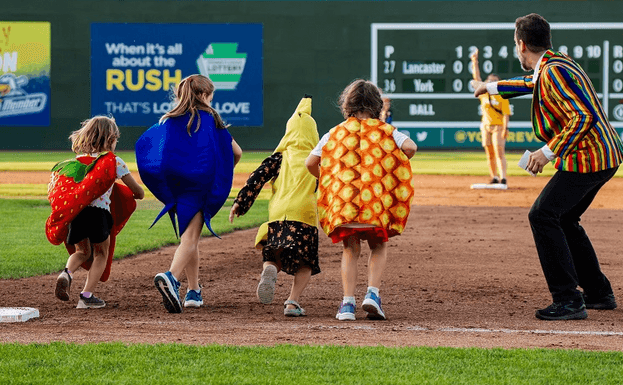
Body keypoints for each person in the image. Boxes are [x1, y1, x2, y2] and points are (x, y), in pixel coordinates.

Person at [474, 13, 623, 321]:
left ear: (521, 44)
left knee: (542, 215)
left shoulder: (552, 71)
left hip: (589, 158)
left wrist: (547, 152)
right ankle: (598, 292)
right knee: (566, 218)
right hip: (603, 156)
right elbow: (531, 83)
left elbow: (583, 117)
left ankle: (568, 300)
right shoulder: (555, 63)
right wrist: (488, 88)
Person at [305, 79, 417, 321]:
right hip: (374, 206)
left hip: (346, 207)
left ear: (348, 104)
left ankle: (347, 304)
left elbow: (310, 163)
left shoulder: (334, 132)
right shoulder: (387, 131)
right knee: (378, 246)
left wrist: (329, 175)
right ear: (376, 105)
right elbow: (411, 147)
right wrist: (390, 166)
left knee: (350, 249)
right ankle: (372, 295)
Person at [136, 75, 242, 313]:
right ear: (204, 95)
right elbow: (236, 152)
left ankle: (193, 290)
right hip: (199, 185)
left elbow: (149, 147)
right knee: (191, 238)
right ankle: (171, 277)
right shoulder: (212, 119)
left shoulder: (169, 120)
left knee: (189, 238)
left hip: (177, 186)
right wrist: (220, 172)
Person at [229, 95, 320, 317]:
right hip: (304, 215)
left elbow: (256, 179)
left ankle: (270, 268)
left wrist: (241, 203)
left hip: (278, 214)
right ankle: (292, 302)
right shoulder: (317, 159)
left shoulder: (278, 158)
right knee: (305, 263)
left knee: (275, 252)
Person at [48, 116, 145, 309]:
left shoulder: (76, 163)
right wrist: (131, 194)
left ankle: (66, 273)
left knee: (82, 251)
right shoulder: (114, 161)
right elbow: (138, 192)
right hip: (99, 215)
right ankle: (86, 296)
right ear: (111, 139)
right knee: (101, 254)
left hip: (78, 214)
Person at [470, 48, 510, 186]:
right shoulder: (484, 94)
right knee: (489, 153)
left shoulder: (502, 96)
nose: (491, 82)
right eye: (490, 80)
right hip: (486, 126)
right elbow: (476, 79)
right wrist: (474, 61)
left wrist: (506, 128)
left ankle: (503, 178)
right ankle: (494, 177)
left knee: (499, 152)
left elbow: (505, 114)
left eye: (494, 81)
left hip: (498, 126)